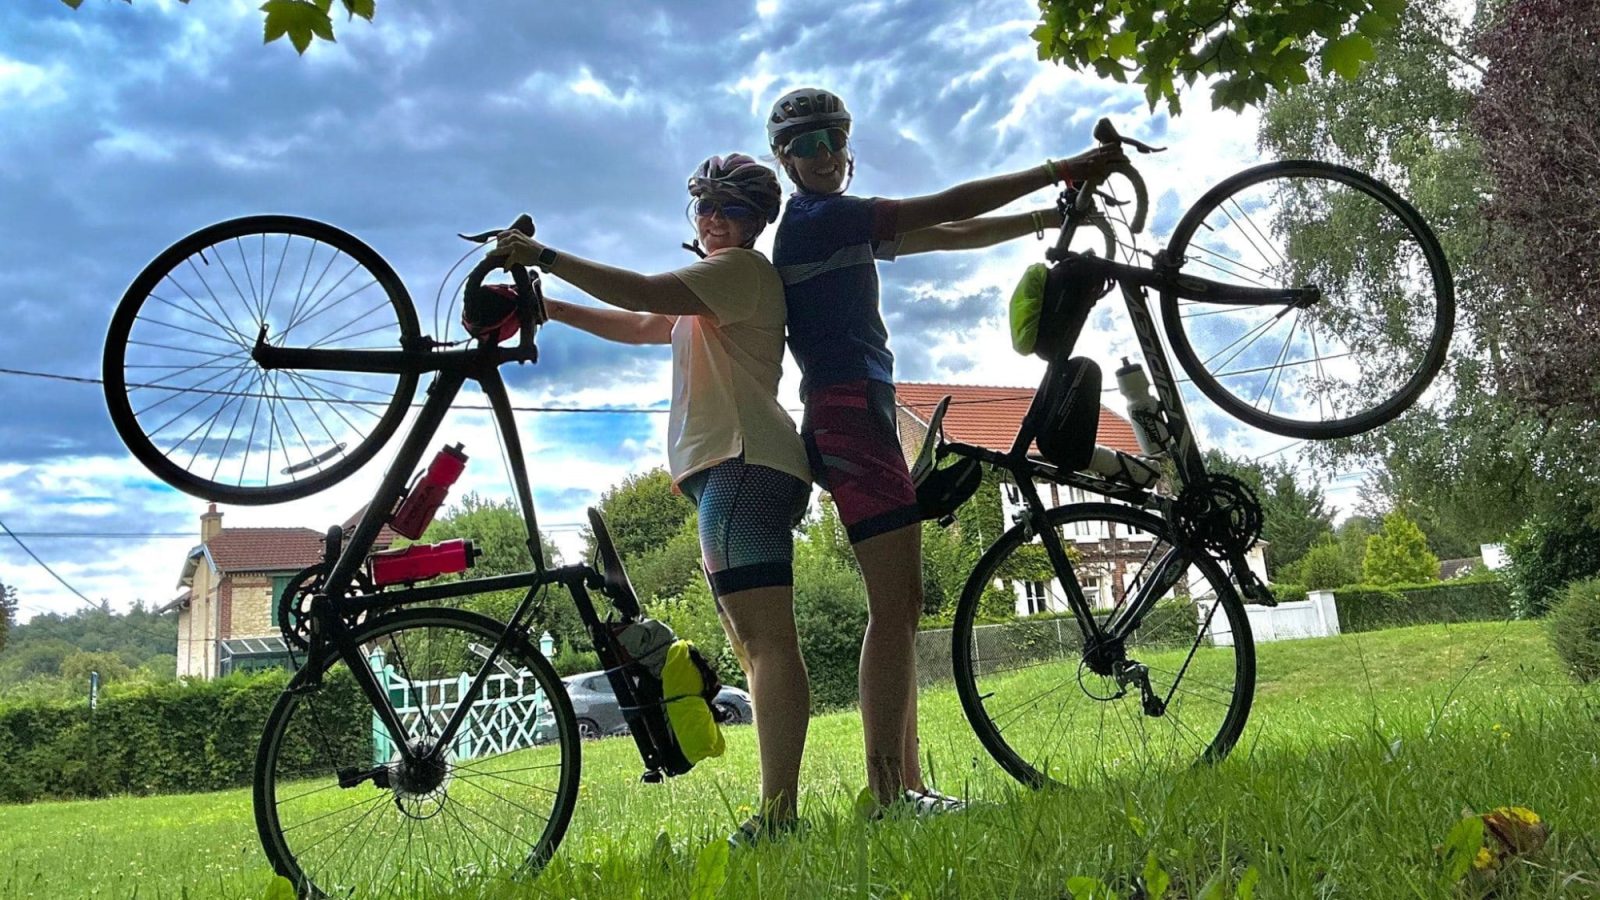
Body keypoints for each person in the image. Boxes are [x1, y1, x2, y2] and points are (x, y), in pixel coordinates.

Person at [765, 87, 1128, 816]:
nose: (826, 153)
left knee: (903, 602)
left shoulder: (833, 225)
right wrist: (1061, 172)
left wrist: (1042, 218)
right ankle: (890, 792)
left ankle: (904, 785)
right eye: (806, 144)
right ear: (784, 159)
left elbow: (952, 235)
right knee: (892, 603)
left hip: (857, 412)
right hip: (850, 417)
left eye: (834, 136)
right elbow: (947, 203)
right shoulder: (817, 219)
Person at [493, 154, 813, 846]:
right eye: (704, 207)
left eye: (730, 209)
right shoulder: (710, 295)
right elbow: (642, 321)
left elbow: (643, 288)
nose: (713, 219)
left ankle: (782, 817)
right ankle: (779, 809)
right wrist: (548, 307)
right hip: (736, 470)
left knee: (767, 646)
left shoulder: (740, 272)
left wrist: (543, 256)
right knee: (757, 646)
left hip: (743, 464)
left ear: (757, 222)